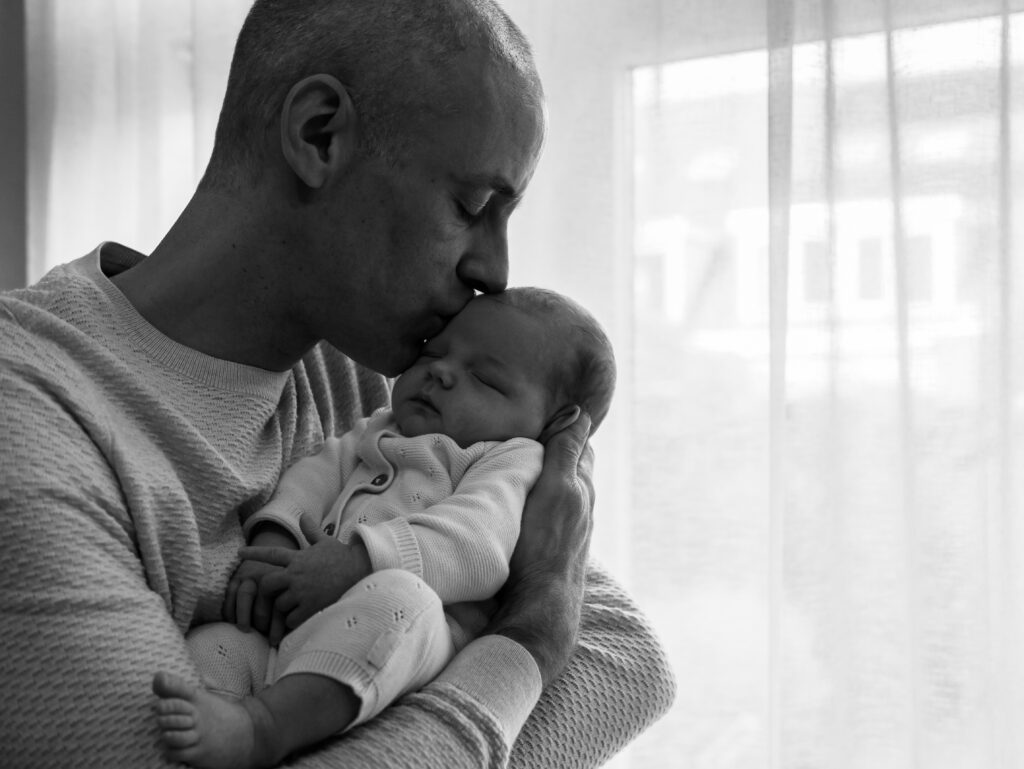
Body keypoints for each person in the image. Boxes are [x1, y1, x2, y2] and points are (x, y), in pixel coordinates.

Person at [0, 0, 676, 767]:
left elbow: (624, 659)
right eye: (471, 206)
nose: (495, 272)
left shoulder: (366, 374)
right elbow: (559, 627)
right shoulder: (31, 418)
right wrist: (531, 637)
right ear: (320, 134)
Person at [152, 287, 617, 769]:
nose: (441, 371)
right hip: (290, 624)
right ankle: (210, 724)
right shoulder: (382, 425)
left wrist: (359, 562)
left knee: (401, 598)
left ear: (556, 423)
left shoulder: (512, 460)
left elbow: (475, 543)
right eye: (433, 352)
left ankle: (262, 727)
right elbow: (314, 476)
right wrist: (277, 541)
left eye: (484, 378)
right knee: (220, 642)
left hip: (409, 641)